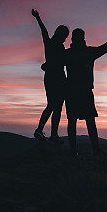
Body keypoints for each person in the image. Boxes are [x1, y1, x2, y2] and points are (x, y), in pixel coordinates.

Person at [64, 27, 107, 155]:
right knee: (88, 120)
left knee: (74, 121)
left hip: (73, 91)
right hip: (83, 91)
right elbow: (104, 49)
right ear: (83, 38)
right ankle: (94, 149)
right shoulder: (87, 52)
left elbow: (54, 62)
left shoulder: (68, 54)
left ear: (73, 38)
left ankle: (75, 150)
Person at [31, 8, 69, 143]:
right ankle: (40, 130)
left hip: (57, 78)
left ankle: (53, 134)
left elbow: (44, 32)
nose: (65, 39)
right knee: (53, 105)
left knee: (56, 107)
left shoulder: (54, 44)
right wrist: (38, 18)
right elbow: (44, 31)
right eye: (64, 36)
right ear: (60, 34)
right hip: (54, 78)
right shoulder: (52, 43)